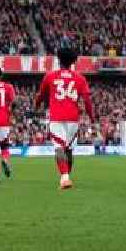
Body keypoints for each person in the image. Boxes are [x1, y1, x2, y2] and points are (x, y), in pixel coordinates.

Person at [35, 47, 97, 189]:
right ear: (73, 61)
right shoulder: (80, 78)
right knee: (68, 149)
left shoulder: (50, 76)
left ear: (59, 59)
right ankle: (66, 176)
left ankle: (65, 177)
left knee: (59, 148)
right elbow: (87, 100)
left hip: (57, 117)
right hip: (73, 118)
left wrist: (36, 105)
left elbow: (41, 95)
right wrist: (92, 117)